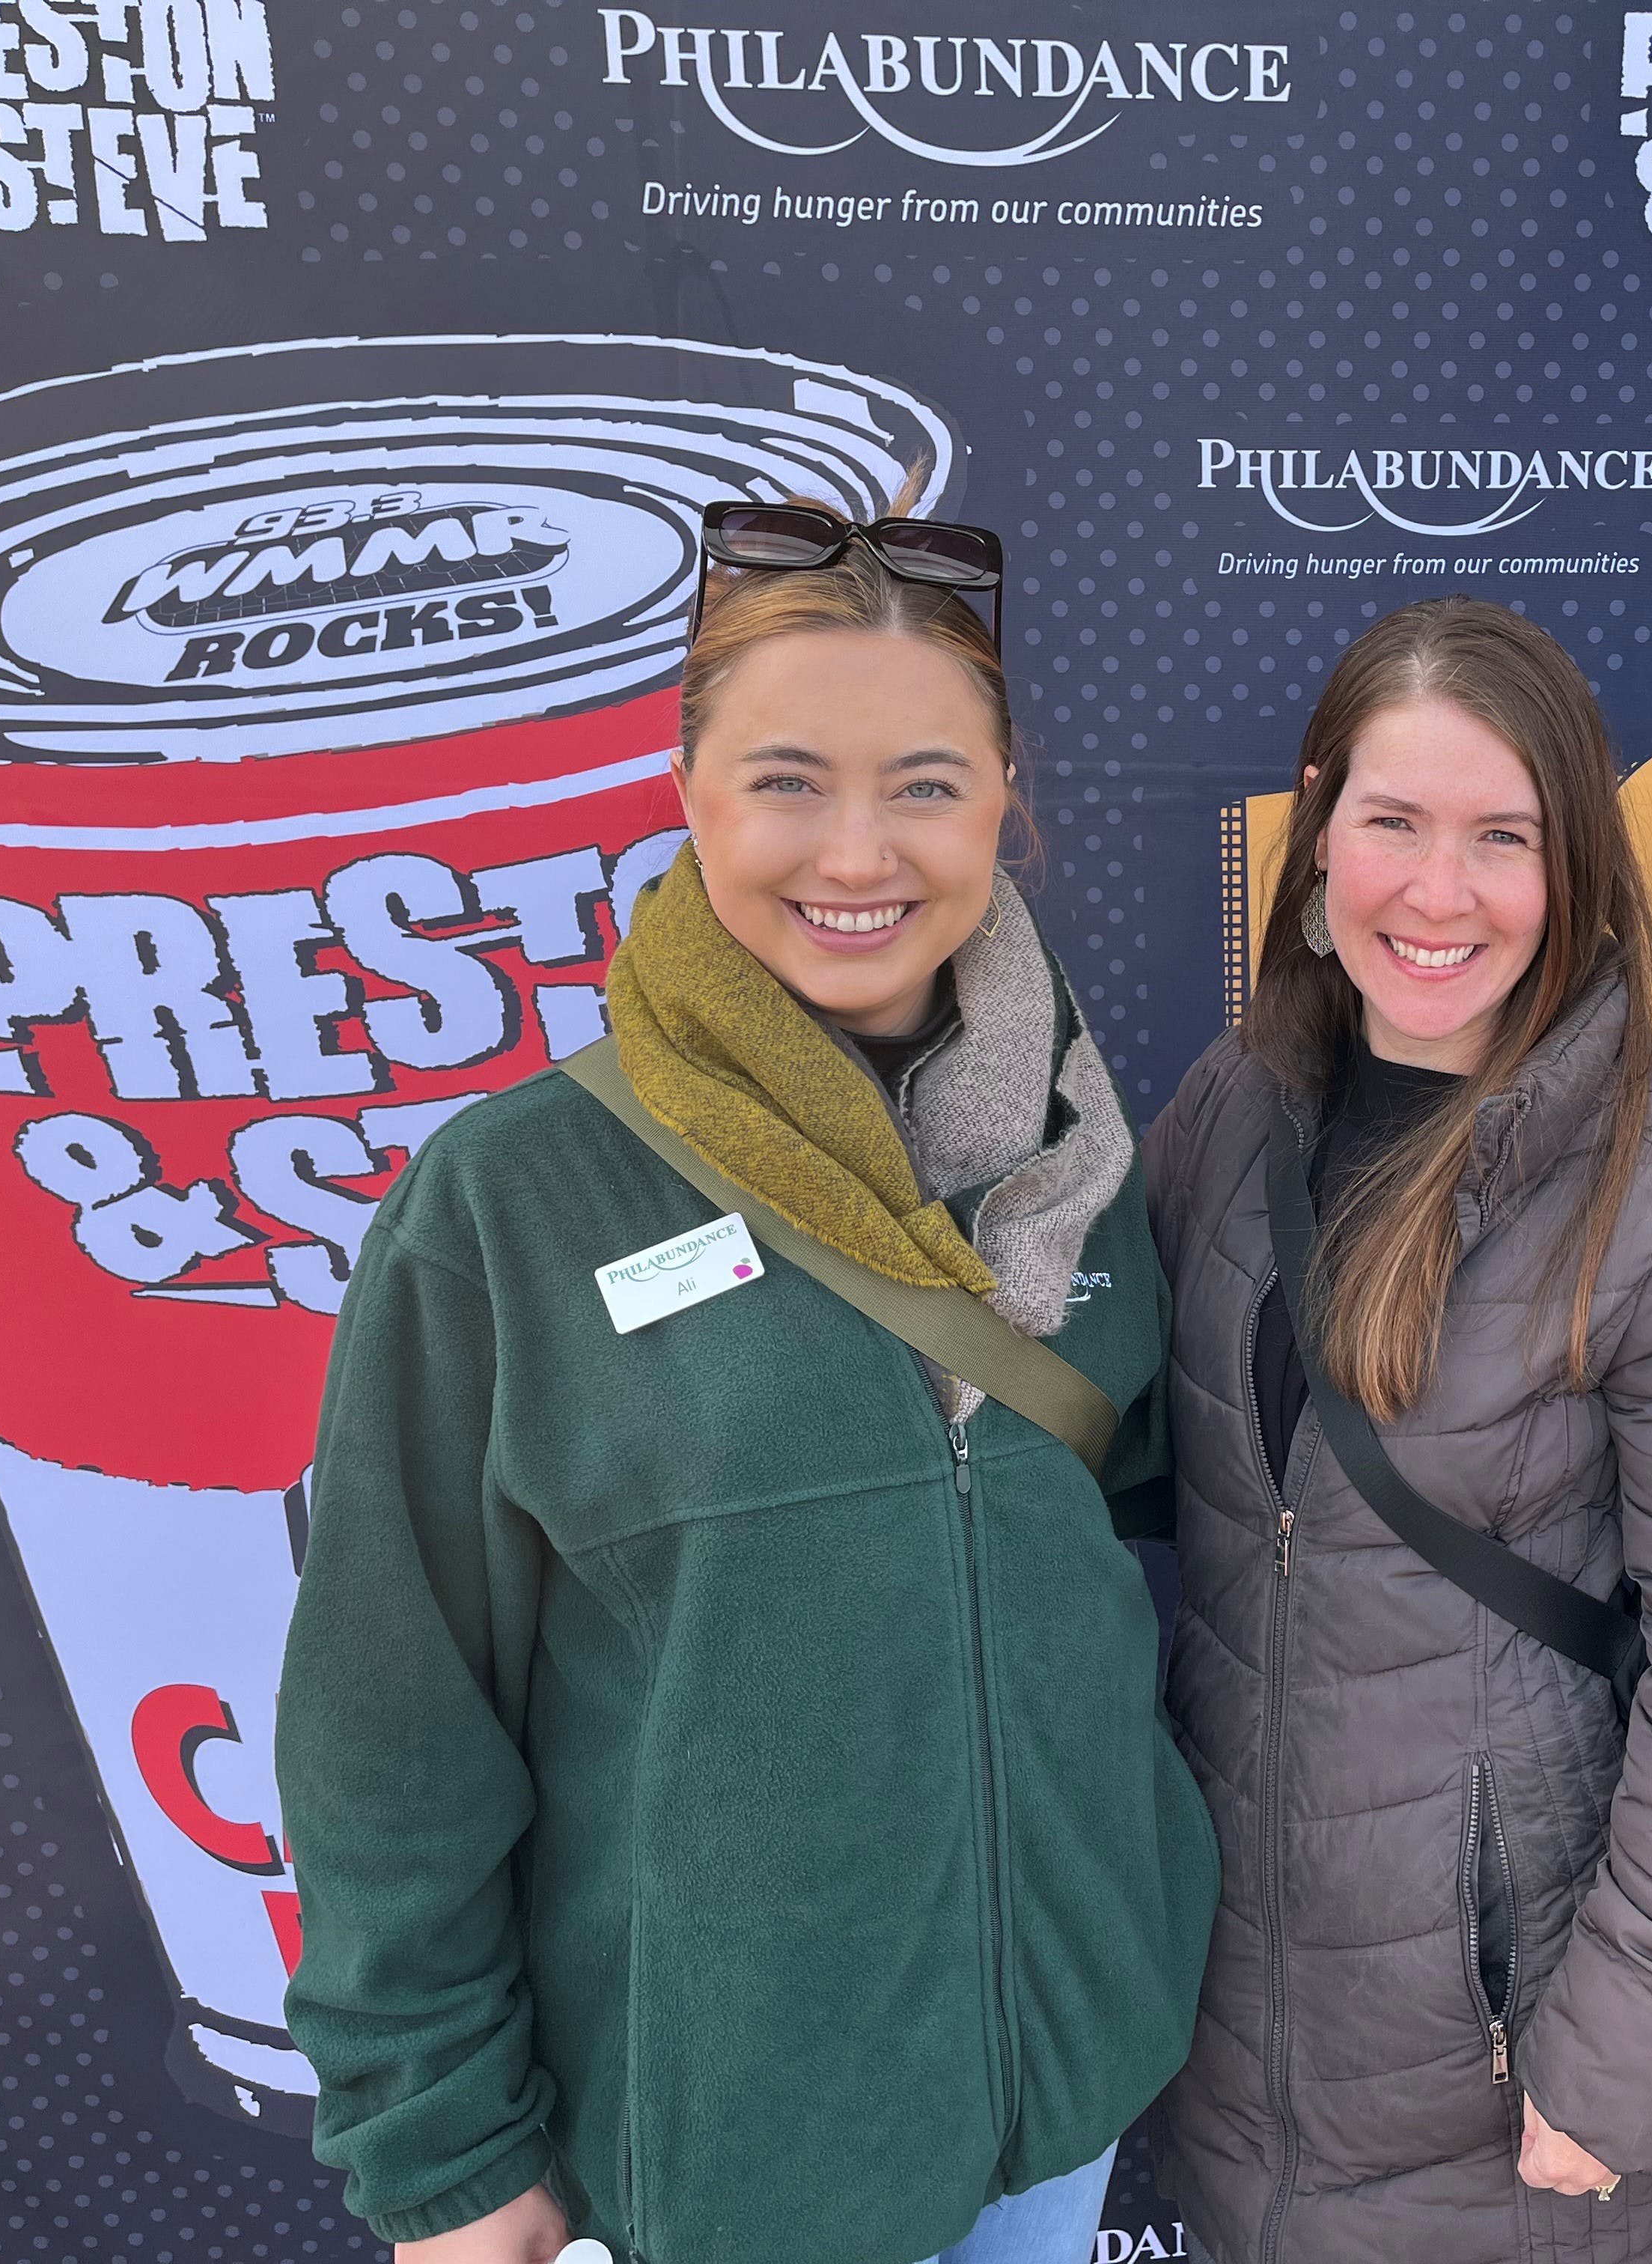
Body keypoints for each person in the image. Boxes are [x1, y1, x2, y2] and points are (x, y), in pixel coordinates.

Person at [275, 496, 1219, 2264]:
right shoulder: (510, 1201)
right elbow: (388, 1725)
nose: (858, 849)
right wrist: (448, 2162)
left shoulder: (1078, 1159)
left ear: (1007, 796)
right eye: (789, 779)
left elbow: (1104, 1541)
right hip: (737, 2167)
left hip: (1068, 2097)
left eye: (927, 783)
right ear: (690, 789)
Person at [1140, 597, 1652, 2262]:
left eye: (1501, 837)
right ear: (1319, 832)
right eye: (1393, 823)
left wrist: (1630, 2051)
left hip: (1514, 2075)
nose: (1437, 893)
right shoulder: (1234, 1109)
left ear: (1575, 865)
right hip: (1241, 2036)